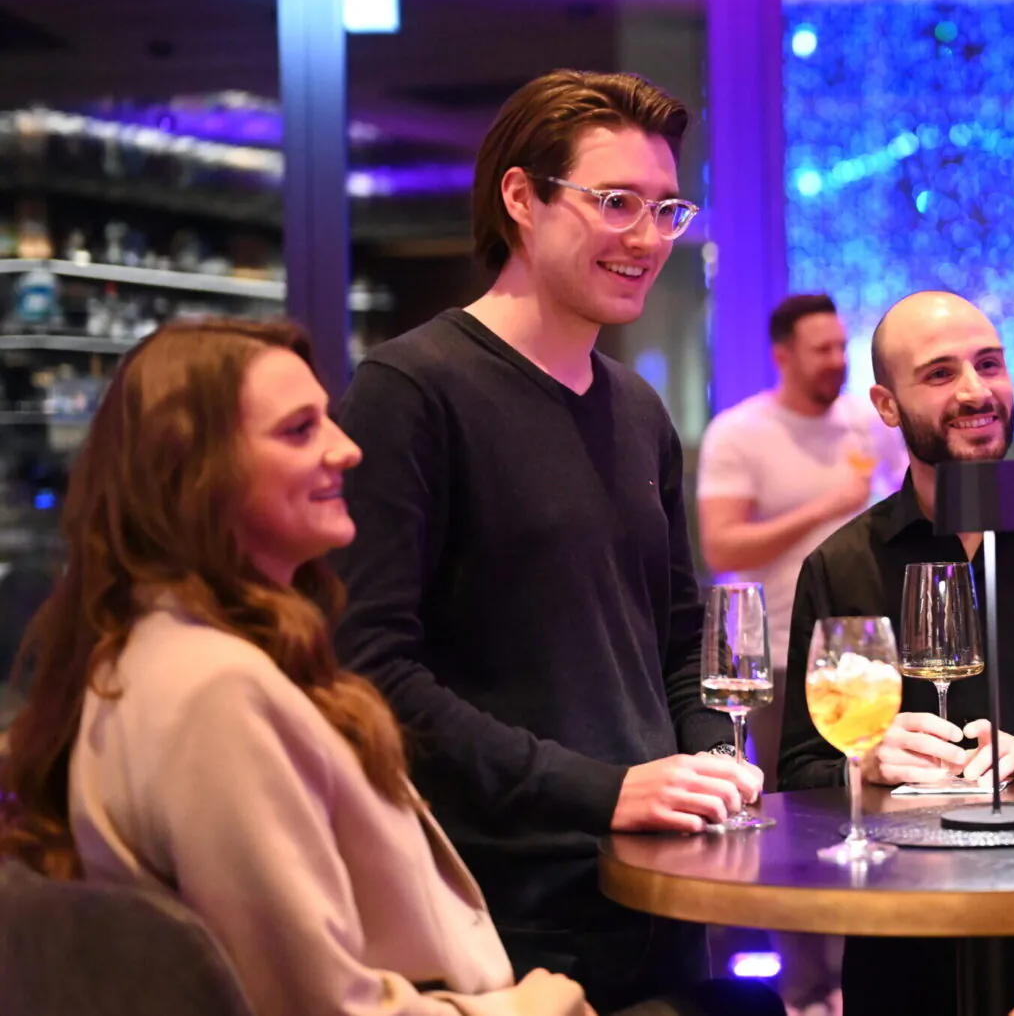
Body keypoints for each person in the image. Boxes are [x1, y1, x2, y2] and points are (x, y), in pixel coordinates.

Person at [331, 70, 768, 1014]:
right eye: (616, 203)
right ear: (522, 198)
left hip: (664, 887)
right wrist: (603, 790)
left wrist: (713, 766)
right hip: (505, 908)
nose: (648, 239)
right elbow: (370, 672)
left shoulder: (641, 410)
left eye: (667, 209)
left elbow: (677, 638)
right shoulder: (411, 391)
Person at [0, 320, 588, 1016]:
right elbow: (319, 1009)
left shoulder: (147, 651)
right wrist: (523, 1013)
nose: (347, 449)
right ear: (192, 471)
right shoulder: (218, 690)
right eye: (299, 430)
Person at [776, 290, 1014, 1016]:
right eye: (941, 374)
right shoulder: (842, 565)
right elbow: (800, 770)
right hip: (903, 941)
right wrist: (865, 759)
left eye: (990, 365)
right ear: (886, 406)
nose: (977, 391)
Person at [697, 292, 905, 780]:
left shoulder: (868, 420)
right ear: (782, 356)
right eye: (821, 350)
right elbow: (721, 546)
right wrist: (827, 507)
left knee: (882, 780)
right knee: (789, 788)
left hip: (867, 643)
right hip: (782, 648)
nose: (837, 361)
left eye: (840, 347)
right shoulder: (739, 433)